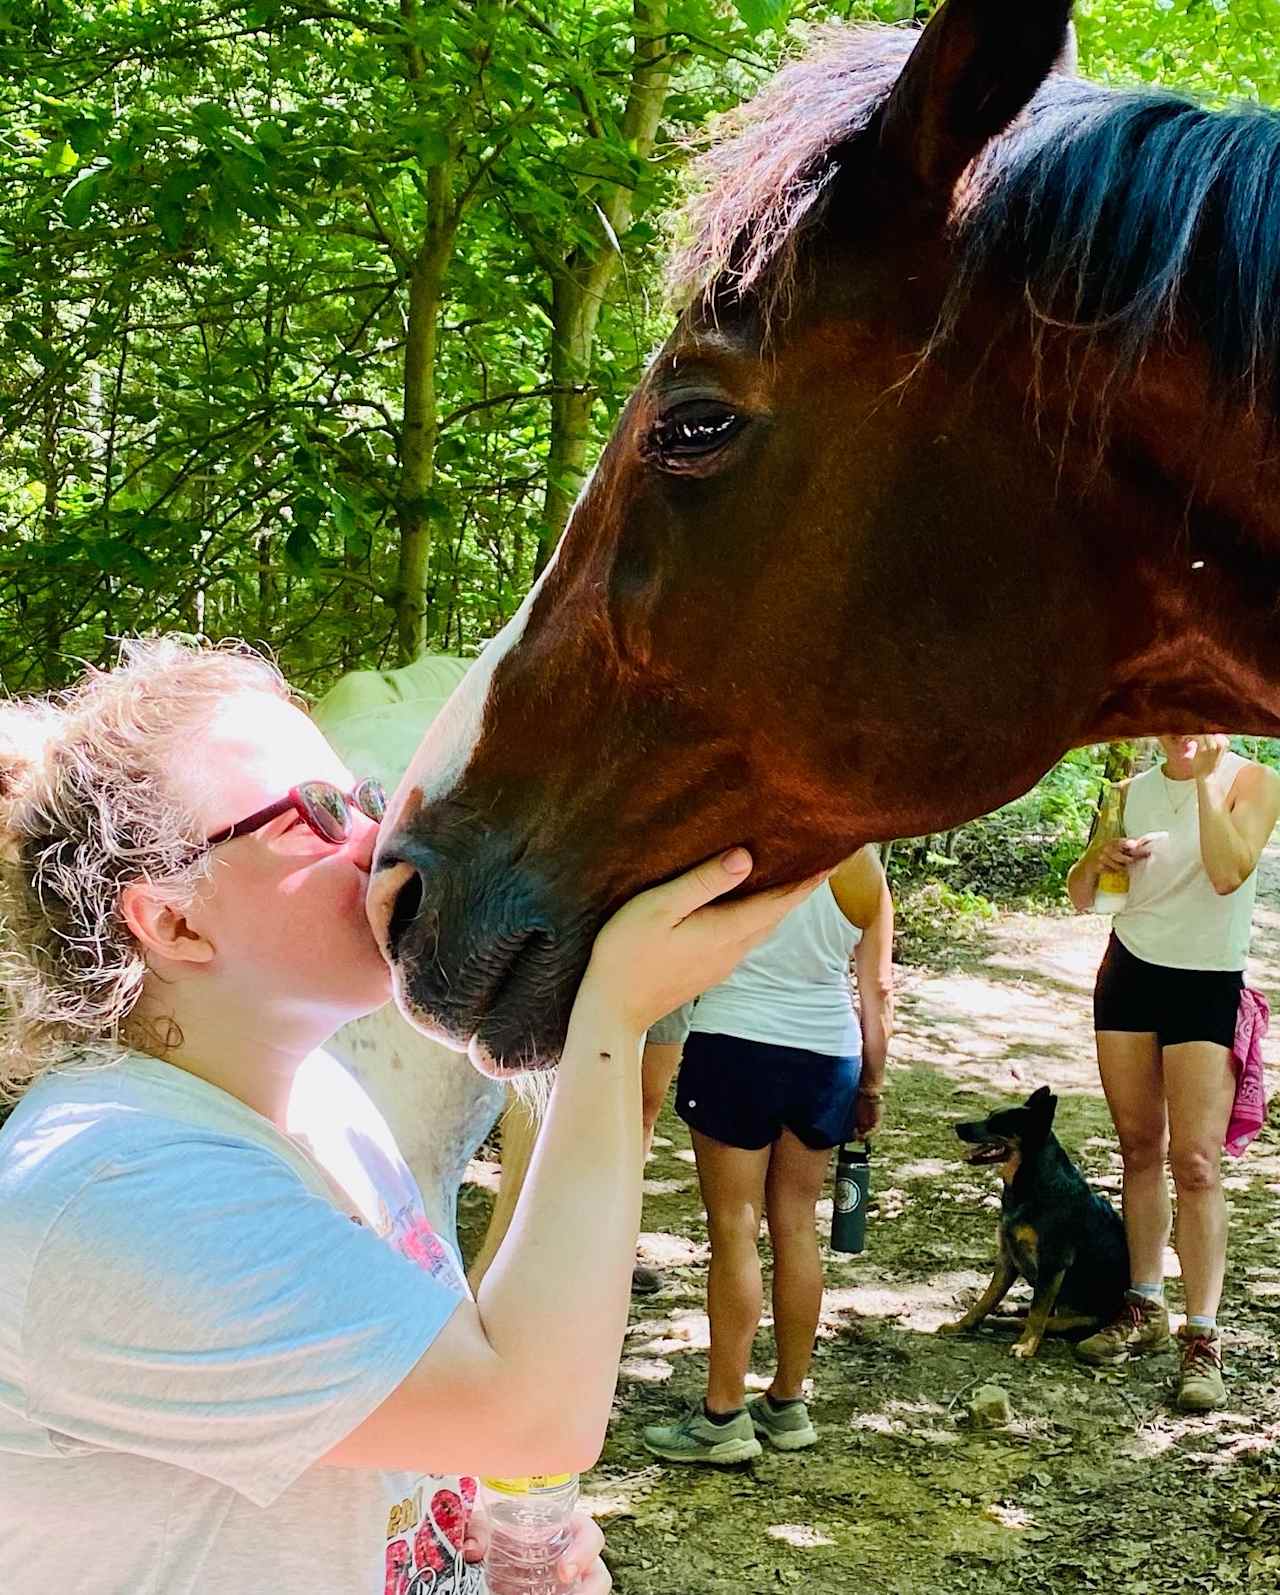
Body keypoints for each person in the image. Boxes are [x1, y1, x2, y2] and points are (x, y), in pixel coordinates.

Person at [0, 638, 816, 1592]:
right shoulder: (113, 1188)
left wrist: (471, 1542)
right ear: (174, 921)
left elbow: (442, 1392)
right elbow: (532, 1411)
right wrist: (612, 1022)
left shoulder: (319, 1099)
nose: (376, 841)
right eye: (314, 814)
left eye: (365, 800)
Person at [642, 847, 893, 1463]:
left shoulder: (742, 849)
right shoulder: (862, 865)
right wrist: (872, 1085)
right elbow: (879, 989)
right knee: (797, 1223)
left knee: (735, 1228)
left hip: (735, 1041)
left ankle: (723, 1414)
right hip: (827, 1053)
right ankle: (787, 1403)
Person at [1066, 734, 1280, 1412]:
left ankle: (1204, 1336)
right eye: (1168, 714)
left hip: (1207, 983)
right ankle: (1144, 1302)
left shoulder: (1256, 779)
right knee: (1137, 1146)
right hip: (1128, 973)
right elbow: (1080, 896)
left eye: (1199, 712)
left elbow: (1228, 872)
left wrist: (1208, 787)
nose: (1182, 726)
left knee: (1196, 1163)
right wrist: (1097, 858)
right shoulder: (1129, 789)